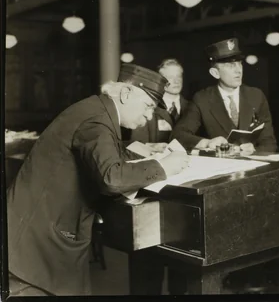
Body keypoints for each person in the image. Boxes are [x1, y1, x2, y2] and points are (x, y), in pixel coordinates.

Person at [7, 64, 190, 296]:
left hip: (41, 233)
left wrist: (135, 150)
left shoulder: (96, 110)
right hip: (35, 247)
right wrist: (162, 166)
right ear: (125, 94)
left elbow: (95, 149)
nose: (149, 115)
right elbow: (111, 178)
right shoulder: (97, 121)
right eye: (148, 106)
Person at [172, 38, 277, 154]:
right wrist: (207, 143)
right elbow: (178, 135)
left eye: (239, 64)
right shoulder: (202, 99)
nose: (238, 70)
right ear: (215, 73)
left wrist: (255, 150)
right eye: (230, 65)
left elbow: (269, 142)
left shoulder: (256, 96)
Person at [125, 59, 190, 145]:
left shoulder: (192, 107)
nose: (176, 81)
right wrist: (153, 147)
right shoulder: (146, 107)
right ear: (161, 81)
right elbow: (137, 145)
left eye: (179, 76)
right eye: (170, 77)